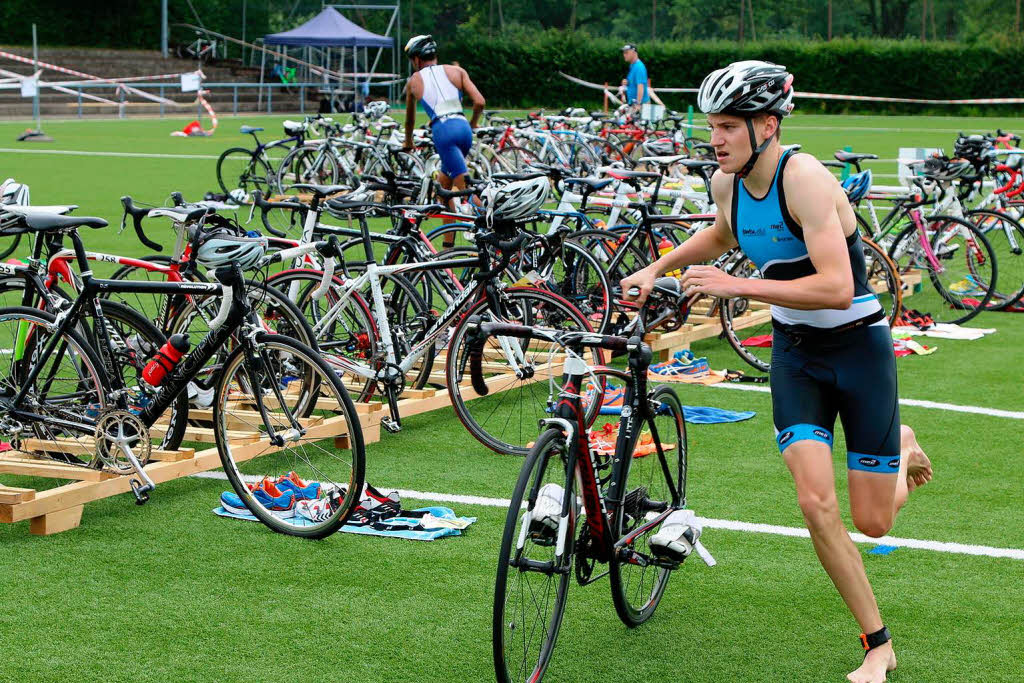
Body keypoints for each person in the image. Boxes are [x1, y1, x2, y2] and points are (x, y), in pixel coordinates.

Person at [620, 60, 933, 683]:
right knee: (816, 505)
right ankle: (878, 645)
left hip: (858, 349)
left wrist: (736, 284)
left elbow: (839, 287)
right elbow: (719, 236)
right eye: (712, 126)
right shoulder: (726, 184)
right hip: (796, 358)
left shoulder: (806, 179)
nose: (716, 139)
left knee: (873, 521)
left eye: (729, 126)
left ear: (767, 124)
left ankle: (901, 445)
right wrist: (656, 269)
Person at [403, 34, 485, 246]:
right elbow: (479, 102)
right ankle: (447, 247)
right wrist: (473, 124)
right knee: (444, 189)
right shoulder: (457, 71)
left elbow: (410, 120)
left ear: (416, 60)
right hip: (463, 128)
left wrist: (408, 142)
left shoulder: (414, 81)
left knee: (466, 191)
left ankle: (498, 234)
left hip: (443, 132)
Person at [619, 44, 650, 111]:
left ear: (634, 53)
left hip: (640, 106)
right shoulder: (632, 65)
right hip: (634, 104)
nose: (624, 55)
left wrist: (638, 104)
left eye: (627, 53)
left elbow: (640, 87)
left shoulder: (639, 67)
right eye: (624, 53)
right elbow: (635, 82)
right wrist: (627, 82)